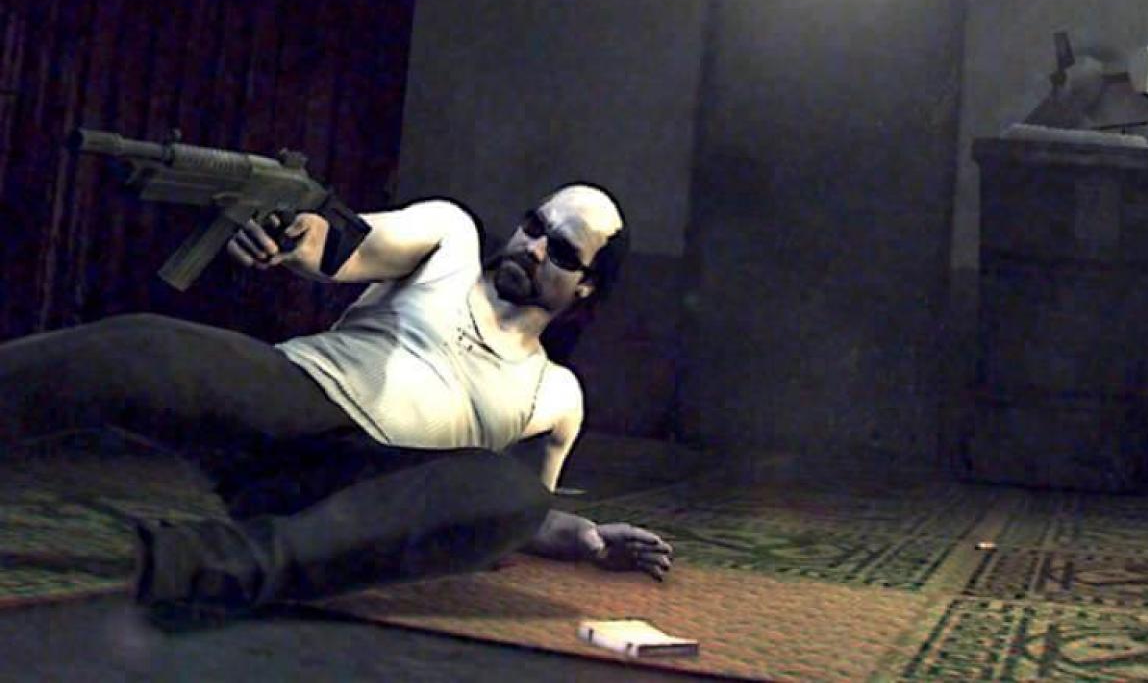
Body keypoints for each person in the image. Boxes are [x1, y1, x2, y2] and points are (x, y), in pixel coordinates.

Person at [0, 183, 673, 615]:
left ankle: (204, 566)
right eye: (533, 224)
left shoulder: (556, 395)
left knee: (514, 490)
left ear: (586, 287)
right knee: (140, 345)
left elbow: (504, 513)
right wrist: (296, 237)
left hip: (359, 492)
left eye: (561, 251)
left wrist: (581, 538)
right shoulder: (452, 239)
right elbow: (349, 245)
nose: (532, 246)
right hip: (291, 395)